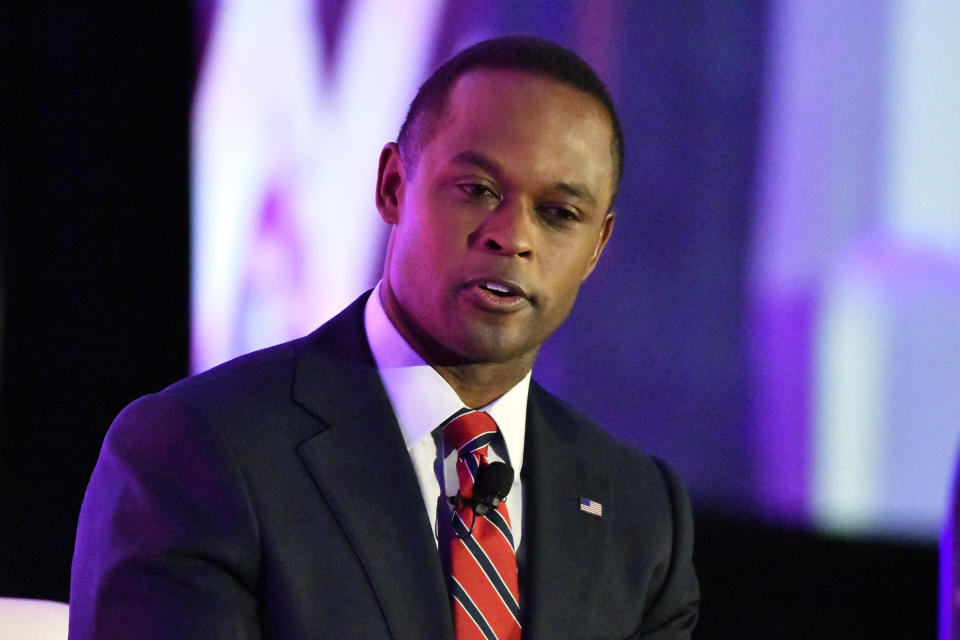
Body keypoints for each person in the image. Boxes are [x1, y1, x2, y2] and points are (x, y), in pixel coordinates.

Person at [69, 36, 699, 639]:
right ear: (394, 186)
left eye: (559, 214)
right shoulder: (196, 452)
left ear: (597, 248)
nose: (513, 237)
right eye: (478, 190)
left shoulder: (641, 516)